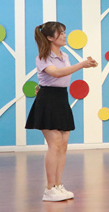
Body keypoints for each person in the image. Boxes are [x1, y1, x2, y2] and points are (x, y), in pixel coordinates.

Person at [25, 21, 97, 202]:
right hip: (47, 100)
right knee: (54, 143)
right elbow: (56, 73)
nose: (65, 35)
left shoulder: (64, 55)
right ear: (50, 37)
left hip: (61, 98)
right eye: (61, 33)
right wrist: (82, 64)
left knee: (63, 143)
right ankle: (49, 189)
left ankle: (58, 185)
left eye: (64, 32)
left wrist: (85, 64)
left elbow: (61, 75)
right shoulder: (42, 57)